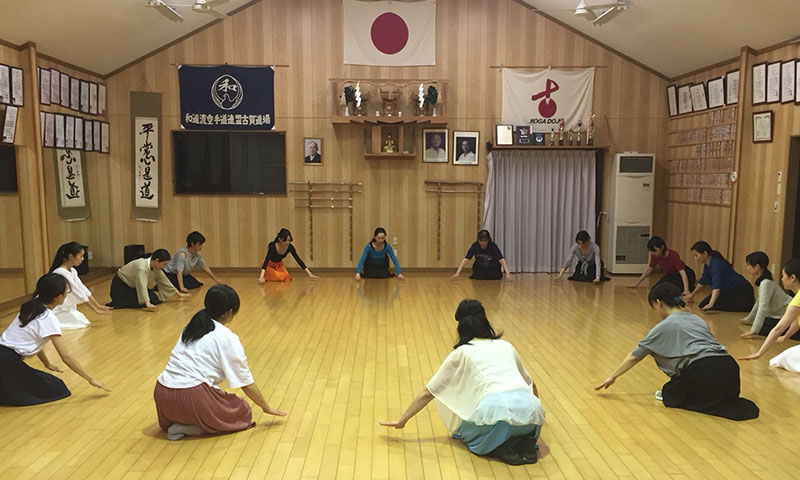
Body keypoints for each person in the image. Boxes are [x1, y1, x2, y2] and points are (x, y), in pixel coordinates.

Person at [380, 300, 546, 465]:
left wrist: (402, 420)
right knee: (514, 421)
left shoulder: (462, 352)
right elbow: (532, 385)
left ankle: (500, 446)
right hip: (533, 411)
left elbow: (428, 392)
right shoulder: (506, 346)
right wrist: (531, 413)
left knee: (462, 433)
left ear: (461, 327)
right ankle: (524, 441)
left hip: (497, 415)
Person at [595, 283, 759, 421]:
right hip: (730, 370)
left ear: (659, 303)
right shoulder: (696, 318)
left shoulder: (663, 326)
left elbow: (634, 356)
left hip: (704, 372)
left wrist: (613, 376)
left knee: (670, 393)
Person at [154, 285, 286, 440]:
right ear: (230, 312)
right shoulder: (227, 337)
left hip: (162, 394)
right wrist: (266, 407)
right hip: (191, 396)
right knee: (241, 409)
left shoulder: (190, 328)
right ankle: (194, 428)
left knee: (219, 401)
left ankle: (183, 420)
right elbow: (245, 382)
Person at [0, 274, 110, 406]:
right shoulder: (48, 318)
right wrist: (90, 379)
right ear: (58, 297)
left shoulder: (30, 306)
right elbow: (66, 356)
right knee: (57, 389)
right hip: (7, 363)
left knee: (49, 383)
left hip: (6, 358)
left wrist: (47, 363)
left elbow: (35, 339)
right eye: (66, 293)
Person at [740, 258, 800, 372]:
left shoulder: (797, 300)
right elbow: (797, 321)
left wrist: (759, 353)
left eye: (783, 275)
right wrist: (785, 337)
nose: (781, 279)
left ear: (792, 278)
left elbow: (778, 329)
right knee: (781, 359)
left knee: (779, 360)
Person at [48, 241, 112, 329]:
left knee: (80, 319)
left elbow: (83, 289)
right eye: (80, 256)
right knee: (77, 320)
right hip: (56, 308)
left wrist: (97, 305)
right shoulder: (60, 272)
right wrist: (95, 309)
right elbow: (76, 291)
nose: (82, 259)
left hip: (65, 307)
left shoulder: (73, 271)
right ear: (71, 256)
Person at [683, 241, 754, 312]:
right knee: (703, 304)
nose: (695, 258)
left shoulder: (717, 264)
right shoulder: (707, 264)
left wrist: (711, 304)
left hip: (740, 290)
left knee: (712, 305)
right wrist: (692, 295)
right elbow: (702, 281)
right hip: (728, 290)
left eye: (696, 255)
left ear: (705, 254)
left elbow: (717, 286)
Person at [107, 249, 189, 309]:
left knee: (154, 299)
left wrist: (177, 293)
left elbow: (164, 280)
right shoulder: (141, 267)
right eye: (164, 264)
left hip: (132, 288)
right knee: (141, 303)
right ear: (157, 261)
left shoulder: (156, 267)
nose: (164, 267)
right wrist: (147, 303)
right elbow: (141, 285)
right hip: (121, 288)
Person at [739, 251, 795, 340]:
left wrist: (754, 330)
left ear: (757, 267)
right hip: (779, 314)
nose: (747, 267)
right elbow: (758, 302)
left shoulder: (766, 283)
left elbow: (762, 307)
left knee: (764, 328)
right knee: (762, 324)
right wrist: (749, 319)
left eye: (748, 265)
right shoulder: (765, 281)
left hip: (786, 314)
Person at [628, 236, 696, 295]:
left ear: (662, 247)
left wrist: (686, 290)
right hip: (671, 275)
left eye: (655, 251)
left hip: (684, 275)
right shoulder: (654, 255)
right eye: (651, 251)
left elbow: (683, 273)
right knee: (656, 290)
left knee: (670, 291)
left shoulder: (673, 255)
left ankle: (690, 287)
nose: (653, 253)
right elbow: (649, 269)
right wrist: (637, 284)